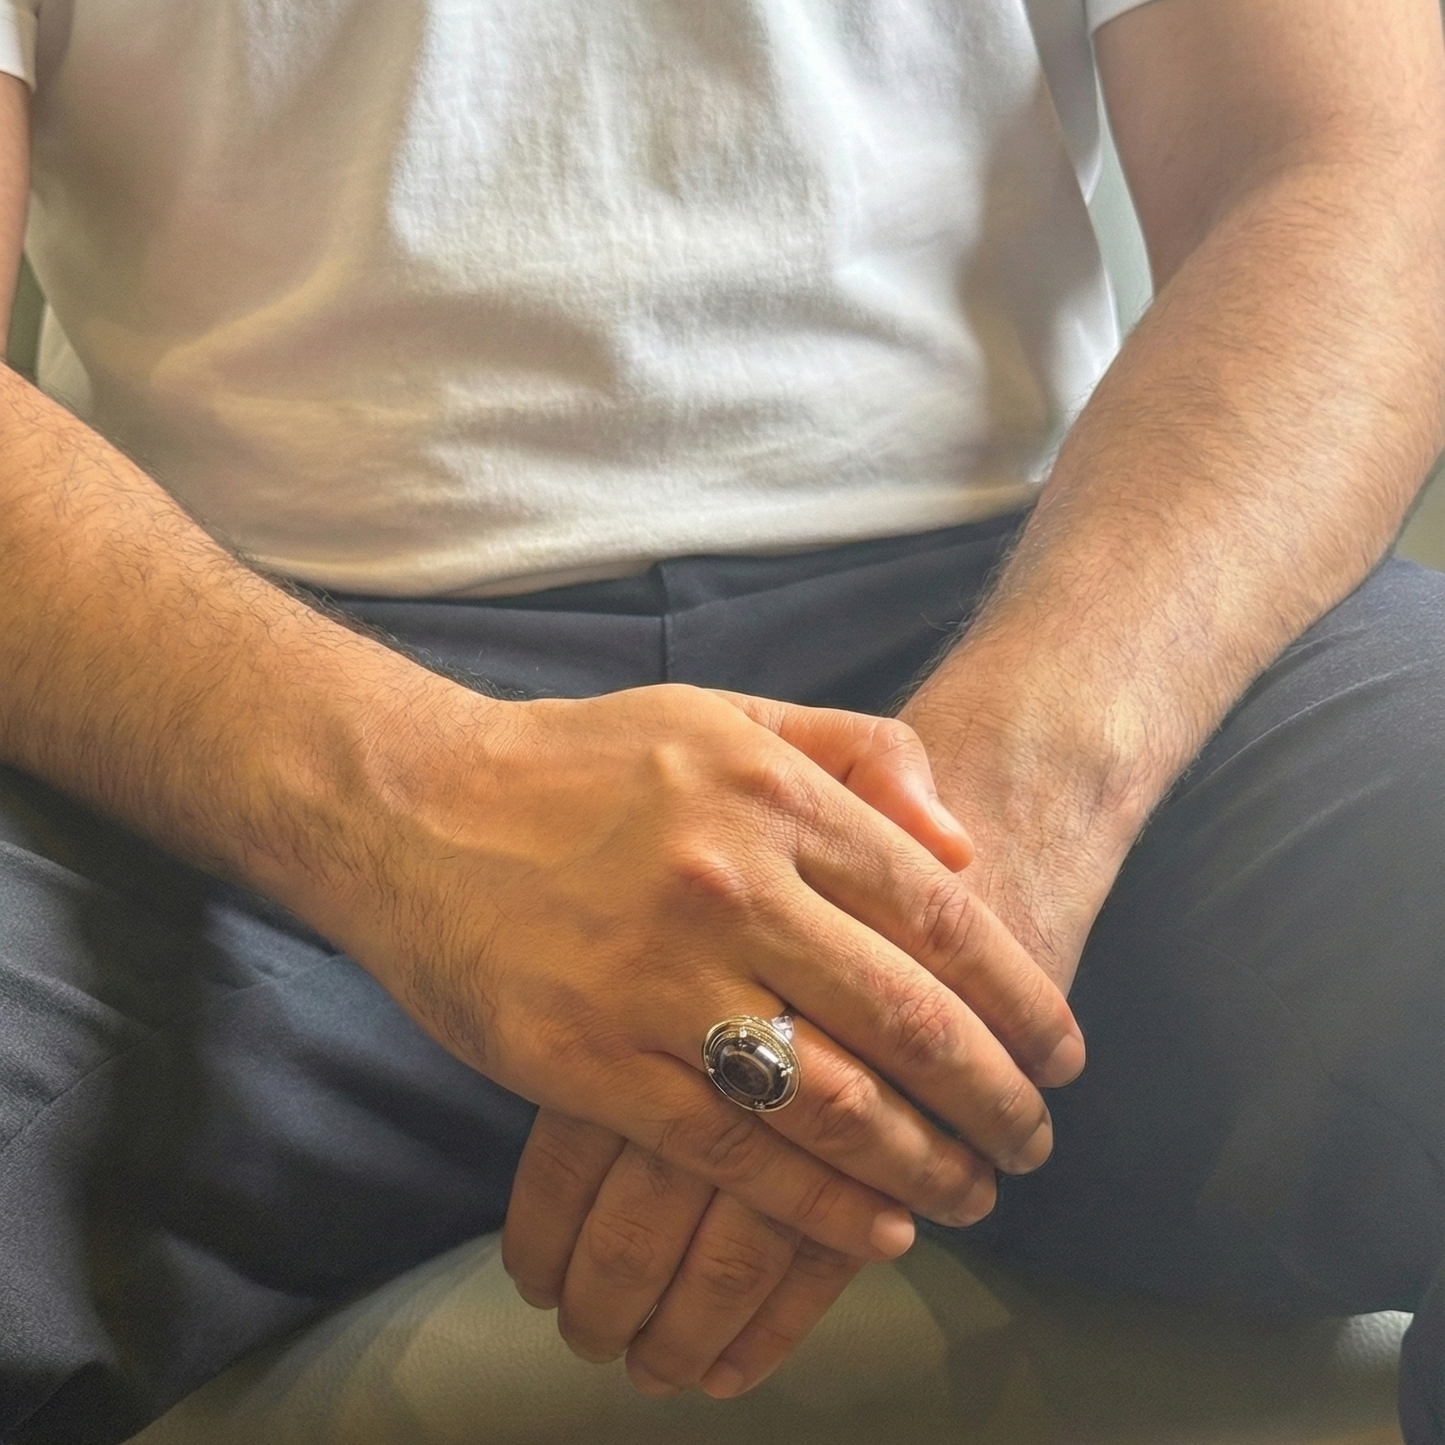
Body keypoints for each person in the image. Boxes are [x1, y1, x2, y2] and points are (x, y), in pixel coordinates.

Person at [0, 1, 1440, 1442]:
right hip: (234, 701)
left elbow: (1359, 166)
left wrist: (981, 834)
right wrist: (409, 806)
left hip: (1075, 626)